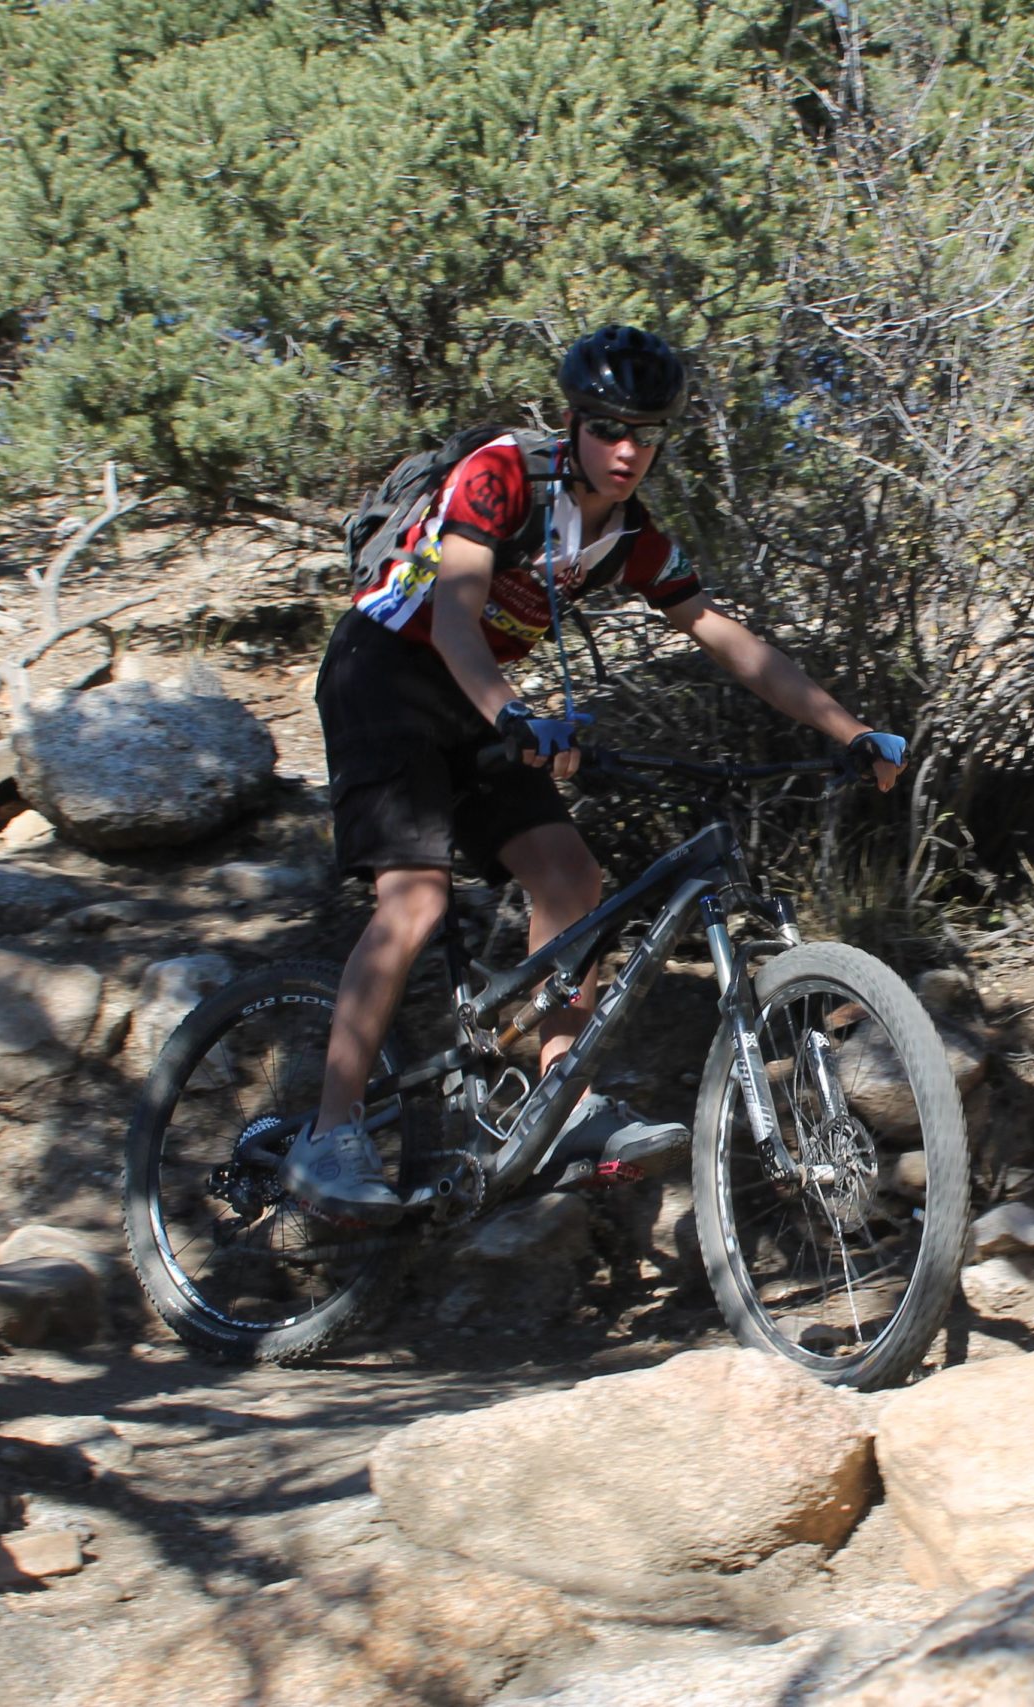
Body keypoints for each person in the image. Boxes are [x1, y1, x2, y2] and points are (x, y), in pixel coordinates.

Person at [288, 324, 906, 1224]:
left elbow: (731, 640)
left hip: (478, 698)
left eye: (648, 434)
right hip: (383, 668)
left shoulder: (631, 537)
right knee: (415, 900)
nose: (628, 451)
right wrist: (513, 715)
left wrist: (852, 731)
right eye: (611, 428)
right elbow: (457, 618)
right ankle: (327, 1134)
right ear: (574, 421)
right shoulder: (502, 475)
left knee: (574, 878)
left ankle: (561, 1102)